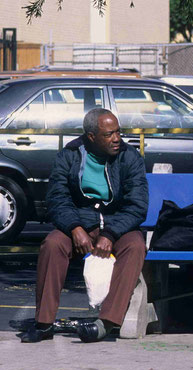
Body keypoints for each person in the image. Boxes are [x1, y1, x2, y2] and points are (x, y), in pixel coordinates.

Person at [20, 108, 148, 343]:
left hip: (117, 225)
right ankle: (44, 323)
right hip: (80, 223)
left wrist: (110, 232)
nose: (117, 138)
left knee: (136, 246)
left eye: (118, 132)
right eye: (109, 134)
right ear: (91, 137)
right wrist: (75, 228)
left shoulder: (130, 157)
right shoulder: (69, 156)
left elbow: (137, 205)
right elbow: (57, 198)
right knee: (52, 244)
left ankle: (106, 322)